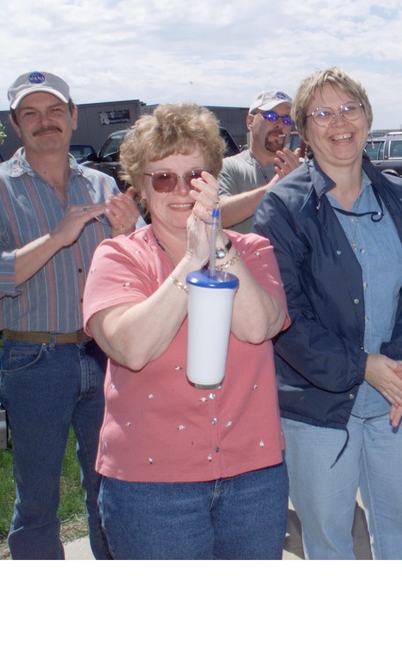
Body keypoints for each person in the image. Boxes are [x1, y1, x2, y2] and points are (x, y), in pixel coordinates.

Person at [253, 68, 402, 560]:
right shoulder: (283, 207)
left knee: (401, 535)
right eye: (322, 113)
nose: (339, 122)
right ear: (303, 127)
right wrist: (364, 366)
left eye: (349, 108)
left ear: (368, 116)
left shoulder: (401, 198)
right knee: (329, 544)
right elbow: (286, 317)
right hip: (318, 409)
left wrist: (401, 362)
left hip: (397, 399)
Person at [82, 102, 290, 559]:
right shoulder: (119, 258)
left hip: (252, 478)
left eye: (194, 177)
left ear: (212, 180)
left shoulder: (251, 250)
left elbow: (258, 326)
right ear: (140, 188)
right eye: (162, 178)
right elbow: (131, 347)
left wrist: (214, 240)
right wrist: (190, 263)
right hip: (151, 489)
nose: (180, 190)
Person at [0, 70, 141, 559]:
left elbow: (146, 267)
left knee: (112, 491)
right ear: (16, 125)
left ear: (73, 116)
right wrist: (57, 237)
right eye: (31, 114)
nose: (46, 122)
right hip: (32, 360)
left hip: (106, 357)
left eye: (55, 111)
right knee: (37, 503)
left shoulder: (104, 186)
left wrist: (131, 235)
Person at [218, 90, 302, 232]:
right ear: (250, 122)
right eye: (271, 116)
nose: (280, 124)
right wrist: (272, 189)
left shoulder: (302, 170)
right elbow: (217, 215)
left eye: (287, 119)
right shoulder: (228, 167)